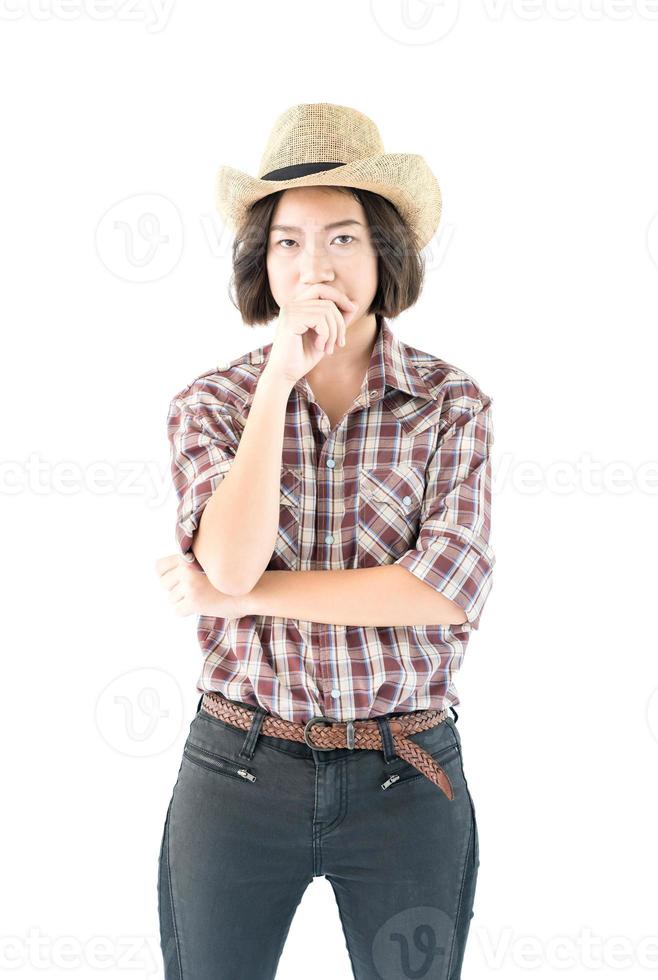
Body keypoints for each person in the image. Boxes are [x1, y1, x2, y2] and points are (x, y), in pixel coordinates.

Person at [154, 102, 495, 980]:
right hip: (236, 771)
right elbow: (227, 558)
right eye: (289, 243)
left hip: (405, 776)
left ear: (386, 252)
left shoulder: (451, 404)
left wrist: (246, 594)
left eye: (343, 239)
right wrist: (278, 380)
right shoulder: (212, 405)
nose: (317, 269)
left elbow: (436, 592)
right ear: (262, 265)